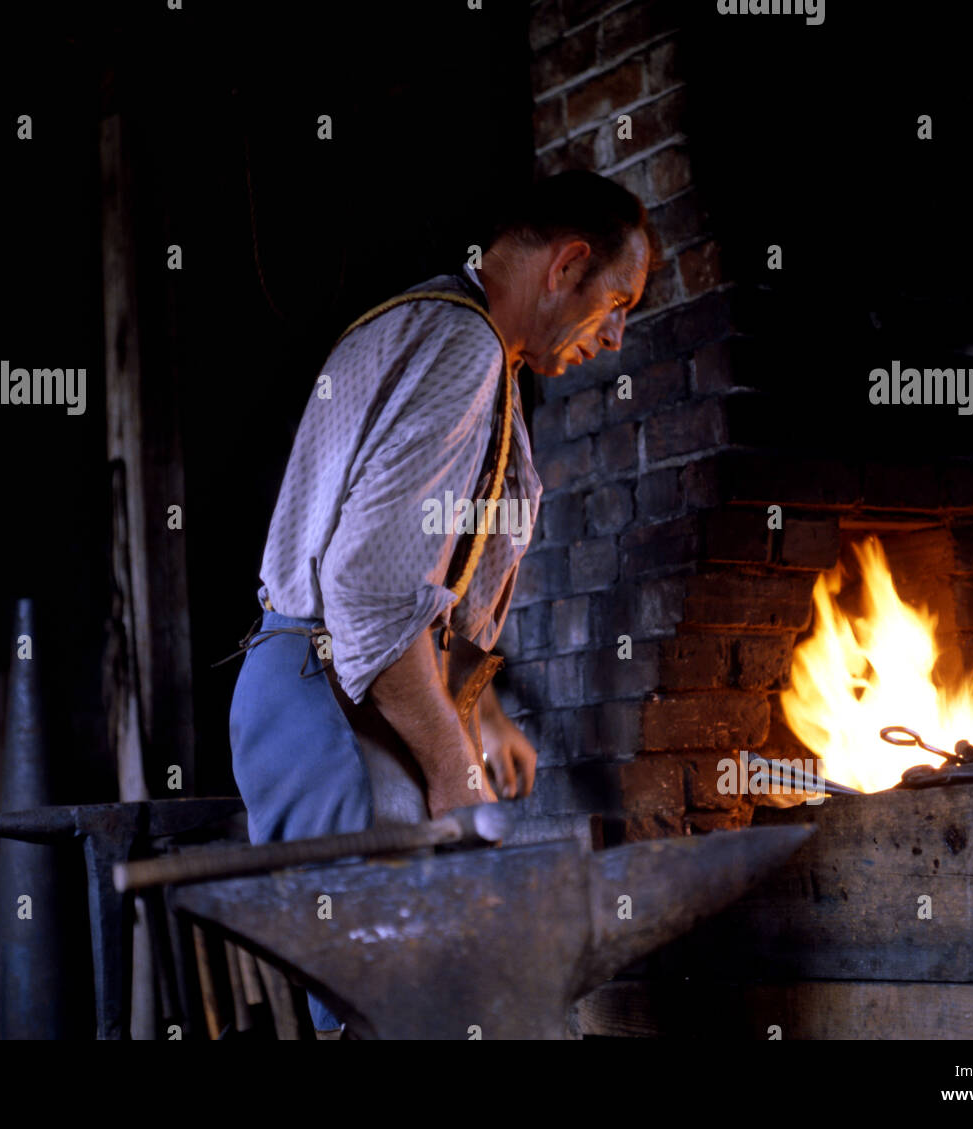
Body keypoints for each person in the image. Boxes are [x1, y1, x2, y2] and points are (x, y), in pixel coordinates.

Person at [228, 170, 652, 1032]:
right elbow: (371, 590)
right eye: (616, 303)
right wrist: (454, 766)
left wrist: (478, 708)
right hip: (333, 706)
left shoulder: (437, 328)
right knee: (395, 1013)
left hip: (317, 689)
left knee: (394, 1008)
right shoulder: (462, 347)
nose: (613, 338)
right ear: (567, 264)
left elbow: (423, 581)